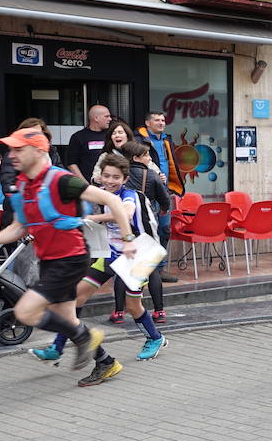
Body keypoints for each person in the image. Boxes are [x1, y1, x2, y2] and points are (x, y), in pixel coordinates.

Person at [0, 128, 138, 388]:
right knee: (66, 318)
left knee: (25, 312)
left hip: (71, 258)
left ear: (39, 151)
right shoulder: (23, 185)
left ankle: (85, 338)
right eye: (11, 149)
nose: (11, 155)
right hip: (50, 260)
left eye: (19, 149)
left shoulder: (62, 180)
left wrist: (128, 239)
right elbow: (18, 227)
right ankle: (106, 362)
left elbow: (111, 199)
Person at [28, 153, 168, 375]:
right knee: (75, 298)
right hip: (110, 254)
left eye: (116, 177)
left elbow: (126, 212)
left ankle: (155, 338)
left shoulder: (129, 195)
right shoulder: (101, 195)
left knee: (132, 307)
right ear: (100, 177)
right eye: (106, 176)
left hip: (139, 255)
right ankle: (56, 349)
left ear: (124, 179)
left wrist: (92, 219)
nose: (110, 181)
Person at [117, 141, 170, 324]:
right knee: (152, 268)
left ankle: (118, 312)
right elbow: (165, 199)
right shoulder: (152, 174)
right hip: (146, 224)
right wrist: (163, 209)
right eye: (146, 155)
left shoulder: (120, 175)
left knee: (122, 268)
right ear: (136, 157)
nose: (149, 158)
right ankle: (159, 311)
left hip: (122, 224)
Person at [137, 111, 183, 284]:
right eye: (157, 120)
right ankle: (144, 270)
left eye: (163, 120)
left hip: (164, 192)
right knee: (147, 232)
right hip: (147, 193)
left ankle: (159, 268)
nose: (161, 123)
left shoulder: (166, 140)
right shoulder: (139, 140)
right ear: (148, 123)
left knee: (165, 230)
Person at [66, 105, 112, 180]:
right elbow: (72, 164)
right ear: (96, 118)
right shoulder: (78, 137)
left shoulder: (111, 135)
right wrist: (85, 184)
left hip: (109, 184)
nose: (110, 119)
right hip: (88, 184)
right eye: (106, 116)